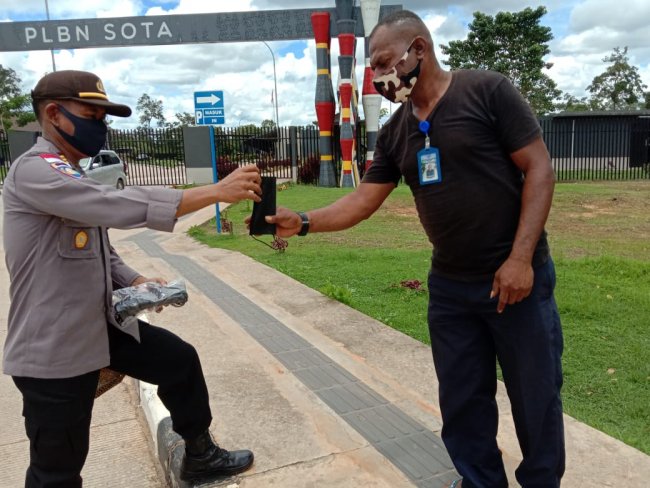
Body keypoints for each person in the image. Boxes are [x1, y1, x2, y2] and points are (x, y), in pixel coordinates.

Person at [266, 10, 564, 488]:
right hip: (451, 290)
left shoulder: (487, 91)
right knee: (463, 401)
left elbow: (539, 169)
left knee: (537, 397)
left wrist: (521, 259)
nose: (381, 75)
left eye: (386, 61)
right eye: (374, 68)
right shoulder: (395, 132)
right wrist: (302, 222)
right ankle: (480, 482)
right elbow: (363, 200)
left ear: (419, 50)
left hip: (514, 283)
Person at [3, 70, 262, 487]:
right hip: (54, 347)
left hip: (98, 325)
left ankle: (199, 455)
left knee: (178, 360)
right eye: (92, 115)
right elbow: (113, 203)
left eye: (105, 117)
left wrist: (137, 278)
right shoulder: (35, 171)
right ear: (54, 113)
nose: (101, 126)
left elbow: (99, 251)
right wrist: (213, 192)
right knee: (57, 472)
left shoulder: (68, 172)